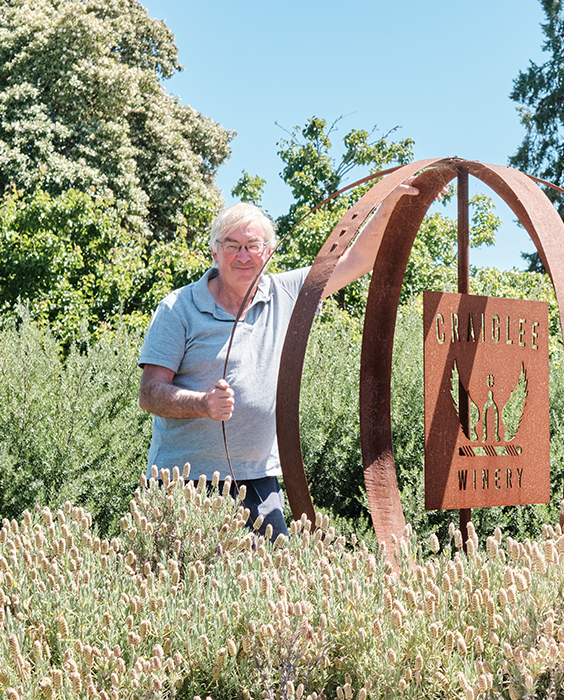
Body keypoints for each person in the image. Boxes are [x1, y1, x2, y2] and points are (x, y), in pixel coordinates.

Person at [137, 188, 416, 541]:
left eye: (253, 245)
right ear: (214, 251)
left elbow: (359, 258)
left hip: (258, 481)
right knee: (187, 590)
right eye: (231, 245)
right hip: (183, 483)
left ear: (268, 252)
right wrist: (202, 404)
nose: (243, 255)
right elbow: (150, 394)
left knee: (271, 587)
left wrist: (389, 204)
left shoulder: (287, 293)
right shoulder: (178, 308)